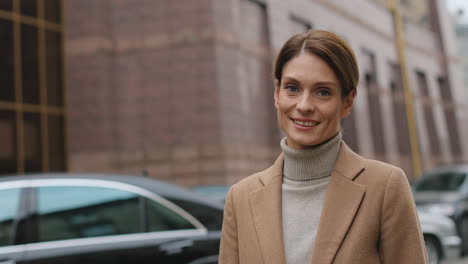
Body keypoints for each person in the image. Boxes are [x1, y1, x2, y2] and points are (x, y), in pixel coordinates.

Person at [219, 30, 427, 264]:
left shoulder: (385, 187)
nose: (305, 105)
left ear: (347, 102)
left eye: (323, 92)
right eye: (292, 88)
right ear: (277, 94)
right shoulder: (240, 198)